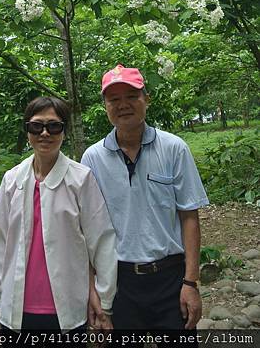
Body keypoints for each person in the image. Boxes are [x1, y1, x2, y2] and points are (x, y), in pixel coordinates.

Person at [81, 65, 209, 331]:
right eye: (114, 99)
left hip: (170, 278)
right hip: (119, 282)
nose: (123, 105)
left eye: (131, 96)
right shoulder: (92, 159)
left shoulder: (174, 148)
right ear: (104, 105)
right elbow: (87, 231)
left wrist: (191, 282)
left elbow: (189, 217)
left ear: (146, 99)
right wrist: (93, 289)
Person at [0, 96, 116, 332]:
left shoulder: (80, 179)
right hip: (15, 310)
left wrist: (104, 302)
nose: (45, 133)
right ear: (27, 131)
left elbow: (102, 240)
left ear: (64, 132)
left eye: (54, 126)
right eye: (36, 126)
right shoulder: (12, 180)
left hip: (67, 309)